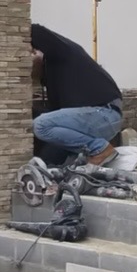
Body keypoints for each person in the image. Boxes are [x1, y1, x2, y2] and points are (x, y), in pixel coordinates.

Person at [30, 23, 123, 166]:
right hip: (94, 119)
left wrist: (15, 28)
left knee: (41, 125)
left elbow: (35, 30)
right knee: (46, 161)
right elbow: (58, 120)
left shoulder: (61, 52)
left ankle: (100, 149)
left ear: (37, 52)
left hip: (103, 114)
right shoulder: (53, 80)